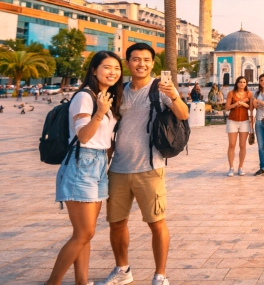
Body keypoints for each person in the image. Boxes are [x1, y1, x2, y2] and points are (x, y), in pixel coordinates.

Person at [98, 43, 188, 285]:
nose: (142, 64)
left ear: (152, 63)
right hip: (118, 169)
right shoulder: (119, 91)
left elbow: (183, 114)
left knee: (156, 223)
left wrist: (174, 95)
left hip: (150, 168)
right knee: (116, 223)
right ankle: (122, 270)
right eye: (136, 59)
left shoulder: (159, 89)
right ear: (127, 62)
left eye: (147, 60)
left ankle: (160, 274)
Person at [46, 51, 123, 285]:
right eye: (107, 67)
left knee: (85, 233)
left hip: (98, 164)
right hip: (82, 164)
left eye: (117, 68)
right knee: (84, 233)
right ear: (94, 70)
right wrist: (99, 113)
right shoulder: (85, 98)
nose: (113, 72)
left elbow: (105, 141)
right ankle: (53, 282)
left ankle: (82, 281)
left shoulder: (105, 97)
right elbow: (83, 136)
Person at [224, 76, 252, 177]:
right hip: (232, 121)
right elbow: (227, 107)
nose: (242, 84)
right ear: (237, 83)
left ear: (246, 84)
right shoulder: (231, 93)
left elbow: (252, 106)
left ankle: (240, 167)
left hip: (244, 121)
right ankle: (231, 167)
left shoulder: (249, 94)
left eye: (244, 82)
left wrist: (245, 105)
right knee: (232, 144)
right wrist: (235, 104)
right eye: (240, 82)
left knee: (242, 145)